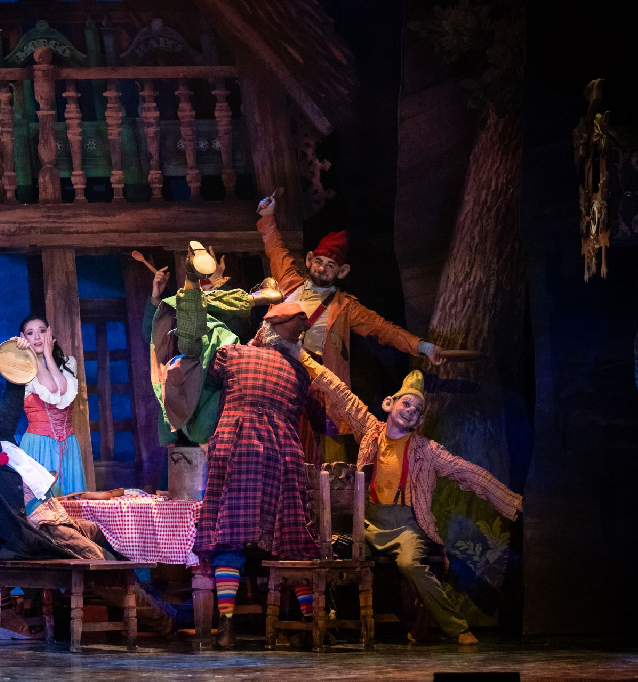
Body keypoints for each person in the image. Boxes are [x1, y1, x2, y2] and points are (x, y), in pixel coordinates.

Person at [0, 392, 181, 635]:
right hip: (37, 529)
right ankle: (165, 620)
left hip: (54, 516)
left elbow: (10, 403)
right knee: (101, 564)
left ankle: (149, 601)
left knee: (99, 531)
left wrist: (18, 361)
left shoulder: (5, 445)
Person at [295, 355, 523, 645]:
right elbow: (338, 391)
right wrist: (301, 355)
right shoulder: (369, 430)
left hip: (406, 528)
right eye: (406, 404)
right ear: (389, 404)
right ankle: (324, 620)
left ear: (420, 420)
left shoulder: (426, 450)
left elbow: (468, 472)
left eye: (417, 410)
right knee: (323, 549)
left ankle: (457, 628)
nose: (411, 411)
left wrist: (512, 502)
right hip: (368, 525)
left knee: (410, 565)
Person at [255, 195, 447, 461]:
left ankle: (332, 484)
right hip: (278, 371)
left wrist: (425, 347)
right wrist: (267, 216)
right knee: (276, 435)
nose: (323, 268)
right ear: (309, 260)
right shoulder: (289, 283)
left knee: (326, 445)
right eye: (319, 261)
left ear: (342, 271)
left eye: (331, 265)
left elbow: (383, 330)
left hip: (318, 381)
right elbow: (276, 250)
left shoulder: (345, 307)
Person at [193, 301, 322, 648]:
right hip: (283, 452)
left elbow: (203, 381)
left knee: (228, 534)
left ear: (263, 329)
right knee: (289, 536)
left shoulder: (232, 355)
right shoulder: (300, 374)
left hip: (237, 445)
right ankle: (312, 623)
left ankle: (227, 626)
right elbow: (315, 415)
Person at [143, 246, 283, 446]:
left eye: (206, 281)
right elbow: (154, 337)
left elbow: (242, 329)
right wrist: (156, 299)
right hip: (186, 383)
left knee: (201, 433)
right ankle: (253, 297)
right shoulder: (180, 312)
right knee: (187, 331)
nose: (207, 288)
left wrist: (218, 284)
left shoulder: (226, 314)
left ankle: (250, 296)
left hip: (212, 383)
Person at [9, 314, 86, 496]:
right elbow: (51, 387)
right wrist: (33, 358)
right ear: (23, 337)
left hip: (68, 445)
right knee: (43, 502)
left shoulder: (68, 363)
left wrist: (48, 357)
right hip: (38, 444)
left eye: (42, 331)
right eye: (30, 333)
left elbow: (61, 389)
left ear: (50, 333)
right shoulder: (22, 370)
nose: (37, 337)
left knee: (71, 501)